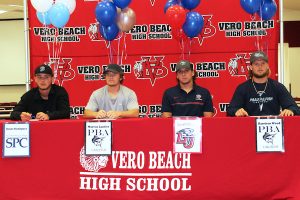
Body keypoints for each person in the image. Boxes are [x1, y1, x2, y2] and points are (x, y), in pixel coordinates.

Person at [227, 51, 300, 117]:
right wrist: (236, 111)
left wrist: (290, 110)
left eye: (263, 63)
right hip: (248, 128)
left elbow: (294, 108)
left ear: (267, 66)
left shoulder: (277, 87)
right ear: (251, 67)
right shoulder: (242, 88)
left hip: (274, 128)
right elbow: (230, 110)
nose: (260, 66)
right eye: (256, 64)